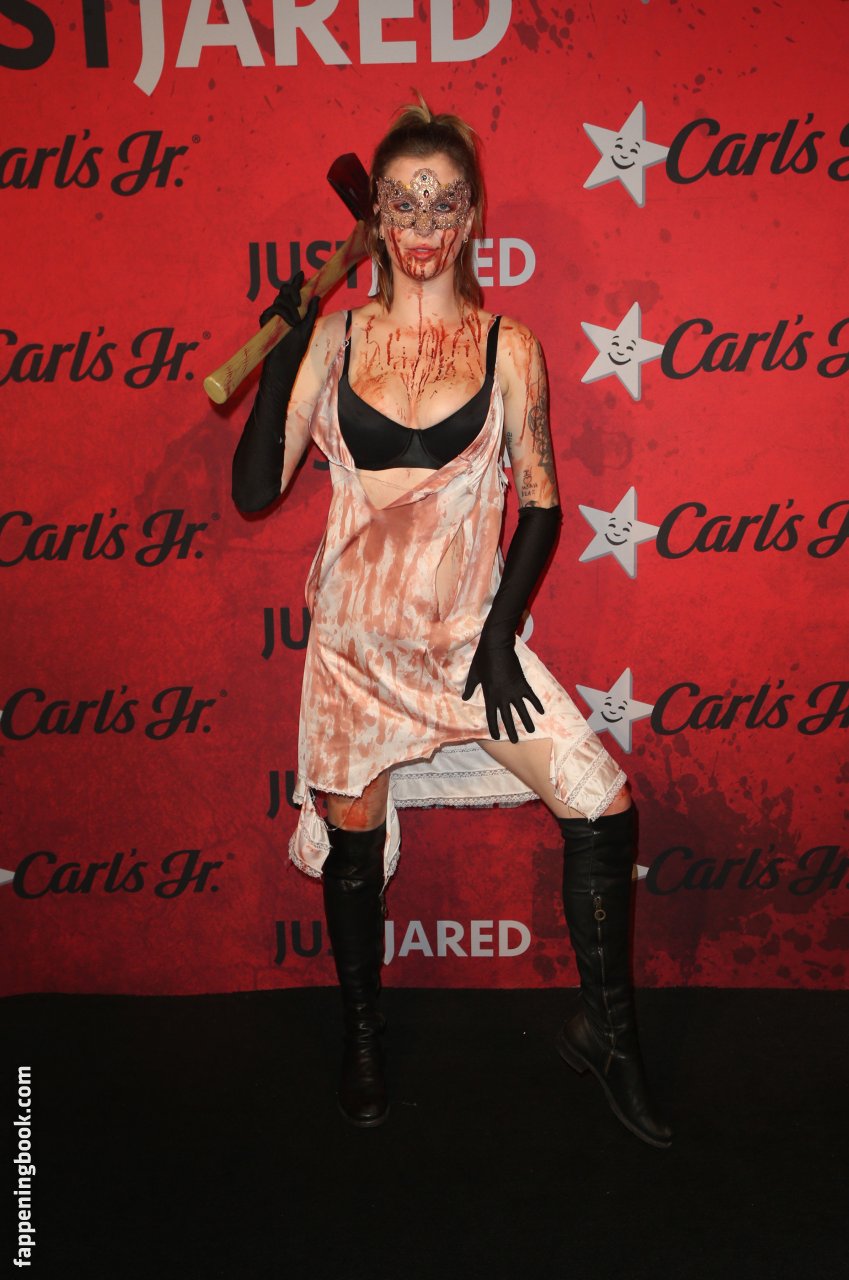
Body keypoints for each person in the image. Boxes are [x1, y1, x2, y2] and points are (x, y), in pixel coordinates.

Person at [231, 99, 672, 1148]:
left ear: (470, 216)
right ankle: (363, 1038)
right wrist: (285, 350)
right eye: (402, 201)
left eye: (443, 202)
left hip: (468, 643)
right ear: (377, 217)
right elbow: (254, 489)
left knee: (603, 807)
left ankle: (606, 1035)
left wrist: (499, 634)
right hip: (353, 649)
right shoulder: (334, 338)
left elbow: (543, 504)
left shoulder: (510, 347)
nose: (423, 223)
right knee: (354, 850)